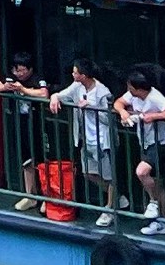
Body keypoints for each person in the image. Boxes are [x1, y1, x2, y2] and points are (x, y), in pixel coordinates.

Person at [51, 59, 119, 226]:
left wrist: (91, 107)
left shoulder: (103, 91)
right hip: (85, 138)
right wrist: (54, 97)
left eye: (75, 72)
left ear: (84, 75)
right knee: (88, 173)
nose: (73, 75)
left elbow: (109, 118)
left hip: (102, 140)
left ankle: (110, 209)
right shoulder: (77, 87)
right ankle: (117, 197)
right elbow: (62, 94)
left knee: (109, 175)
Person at [116, 68, 165, 235]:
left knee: (142, 171)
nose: (128, 89)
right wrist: (124, 112)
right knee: (157, 182)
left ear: (139, 88)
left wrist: (153, 116)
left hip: (159, 142)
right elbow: (118, 102)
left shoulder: (155, 97)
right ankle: (161, 222)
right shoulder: (133, 95)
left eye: (130, 87)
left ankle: (153, 203)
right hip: (144, 141)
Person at [0, 56, 51, 210]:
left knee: (41, 160)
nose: (18, 73)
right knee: (26, 160)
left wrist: (23, 90)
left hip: (37, 124)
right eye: (16, 70)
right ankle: (30, 195)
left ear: (30, 69)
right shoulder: (12, 78)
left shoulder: (37, 79)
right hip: (20, 123)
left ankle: (47, 197)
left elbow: (44, 94)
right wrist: (7, 87)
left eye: (22, 70)